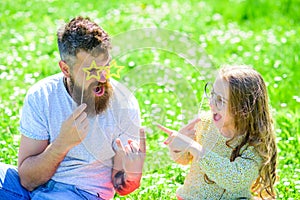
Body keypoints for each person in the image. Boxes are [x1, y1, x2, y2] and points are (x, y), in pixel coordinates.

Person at [0, 16, 146, 200]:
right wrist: (62, 144)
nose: (102, 77)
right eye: (91, 71)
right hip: (29, 190)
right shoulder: (42, 95)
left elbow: (122, 186)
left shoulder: (124, 104)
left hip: (81, 194)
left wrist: (133, 176)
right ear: (66, 69)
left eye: (106, 66)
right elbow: (27, 180)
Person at [158, 65, 277, 199]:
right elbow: (184, 159)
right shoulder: (204, 123)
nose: (211, 103)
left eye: (220, 100)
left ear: (244, 108)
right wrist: (177, 147)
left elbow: (235, 180)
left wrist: (196, 148)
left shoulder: (254, 141)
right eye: (212, 94)